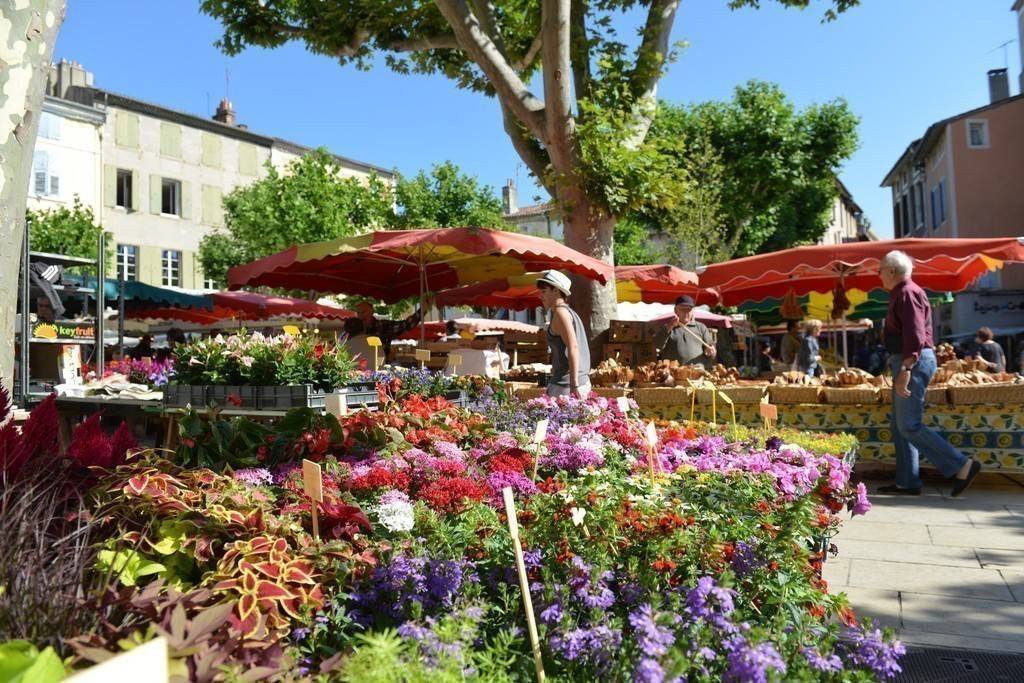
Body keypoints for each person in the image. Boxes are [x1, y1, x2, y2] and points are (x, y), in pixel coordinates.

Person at [878, 250, 980, 497]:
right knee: (899, 425)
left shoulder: (907, 293)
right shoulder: (904, 293)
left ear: (892, 271)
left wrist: (906, 369)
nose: (878, 276)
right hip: (908, 359)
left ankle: (962, 465)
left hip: (912, 360)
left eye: (880, 271)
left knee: (909, 425)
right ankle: (907, 481)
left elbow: (914, 336)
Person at [536, 270, 591, 398]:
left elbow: (573, 347)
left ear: (556, 290)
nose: (540, 296)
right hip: (573, 382)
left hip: (566, 386)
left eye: (544, 291)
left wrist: (574, 384)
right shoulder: (568, 312)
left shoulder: (561, 313)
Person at [659, 296, 717, 367]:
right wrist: (669, 327)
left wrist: (711, 352)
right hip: (674, 373)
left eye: (689, 309)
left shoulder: (701, 327)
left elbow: (711, 351)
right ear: (675, 310)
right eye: (682, 309)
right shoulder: (667, 327)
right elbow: (657, 345)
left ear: (693, 311)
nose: (686, 312)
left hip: (697, 372)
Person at [354, 301, 422, 358]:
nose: (361, 316)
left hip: (380, 370)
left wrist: (422, 310)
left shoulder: (383, 326)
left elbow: (406, 325)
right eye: (358, 313)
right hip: (358, 369)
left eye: (363, 312)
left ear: (372, 311)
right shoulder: (354, 329)